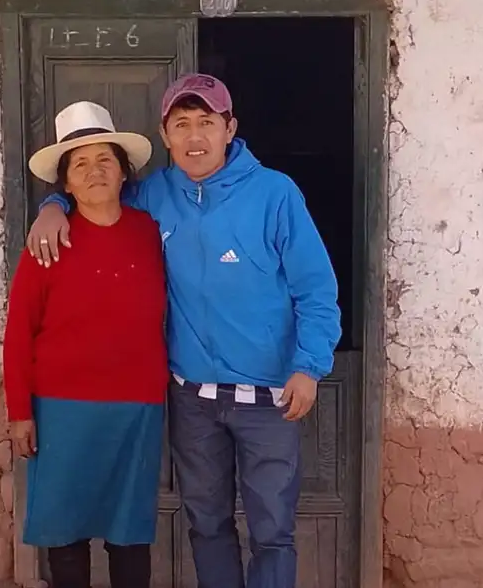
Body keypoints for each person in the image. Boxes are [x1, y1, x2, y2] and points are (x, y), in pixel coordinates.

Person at [25, 74, 343, 588]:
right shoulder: (155, 195)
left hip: (269, 396)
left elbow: (316, 289)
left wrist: (309, 366)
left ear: (229, 128)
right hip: (193, 398)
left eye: (207, 124)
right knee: (208, 526)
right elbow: (96, 188)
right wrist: (52, 205)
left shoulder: (274, 194)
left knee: (272, 533)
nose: (195, 137)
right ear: (165, 135)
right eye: (182, 125)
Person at [2, 100, 168, 588]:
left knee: (130, 532)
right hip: (60, 409)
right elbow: (18, 331)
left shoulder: (151, 233)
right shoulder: (47, 242)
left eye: (105, 160)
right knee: (65, 532)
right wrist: (20, 412)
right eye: (80, 164)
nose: (94, 171)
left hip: (136, 407)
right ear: (66, 184)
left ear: (123, 174)